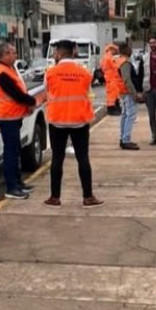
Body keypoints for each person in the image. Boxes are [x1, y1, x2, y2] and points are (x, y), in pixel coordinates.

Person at [43, 39, 103, 208]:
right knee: (83, 158)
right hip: (79, 121)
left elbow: (47, 92)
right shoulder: (84, 73)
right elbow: (88, 94)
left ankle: (55, 197)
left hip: (57, 122)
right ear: (73, 52)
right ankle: (88, 197)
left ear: (59, 54)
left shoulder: (51, 73)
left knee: (57, 159)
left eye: (55, 52)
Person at [0, 42, 37, 200]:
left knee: (15, 150)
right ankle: (12, 187)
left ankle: (18, 183)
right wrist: (31, 101)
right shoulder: (2, 73)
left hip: (13, 117)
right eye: (13, 53)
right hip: (7, 118)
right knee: (11, 153)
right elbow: (16, 94)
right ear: (4, 55)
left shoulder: (8, 70)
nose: (16, 55)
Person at [113, 41, 142, 150]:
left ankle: (123, 138)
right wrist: (135, 94)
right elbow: (127, 79)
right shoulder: (125, 62)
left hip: (122, 91)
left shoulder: (118, 61)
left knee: (125, 115)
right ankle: (126, 139)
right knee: (130, 116)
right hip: (128, 92)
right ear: (126, 50)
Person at [101, 43, 121, 115]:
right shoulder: (110, 57)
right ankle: (112, 109)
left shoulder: (104, 57)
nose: (115, 52)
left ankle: (114, 107)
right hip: (112, 77)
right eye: (115, 50)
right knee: (113, 94)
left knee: (112, 93)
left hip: (109, 77)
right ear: (111, 49)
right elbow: (115, 66)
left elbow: (103, 68)